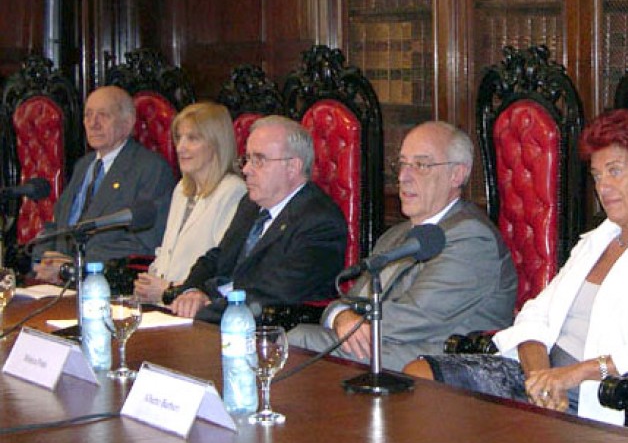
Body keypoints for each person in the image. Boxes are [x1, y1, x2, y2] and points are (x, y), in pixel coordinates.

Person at [404, 109, 628, 426]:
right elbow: (535, 314)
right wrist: (541, 377)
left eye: (615, 171)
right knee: (418, 377)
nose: (603, 186)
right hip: (543, 379)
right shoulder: (597, 241)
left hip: (602, 395)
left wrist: (579, 372)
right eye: (597, 175)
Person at [288, 121, 517, 372]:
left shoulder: (472, 238)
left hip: (438, 363)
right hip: (388, 346)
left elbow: (416, 318)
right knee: (290, 340)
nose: (403, 177)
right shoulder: (397, 234)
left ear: (457, 175)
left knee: (298, 341)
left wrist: (350, 322)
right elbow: (350, 300)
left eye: (421, 165)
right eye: (402, 164)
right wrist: (341, 316)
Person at [168, 115, 347, 324]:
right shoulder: (251, 204)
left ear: (293, 167)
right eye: (247, 159)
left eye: (258, 161)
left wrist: (204, 311)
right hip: (220, 317)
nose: (245, 170)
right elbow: (218, 257)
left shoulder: (319, 222)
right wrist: (192, 291)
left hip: (268, 332)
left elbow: (274, 294)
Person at [32, 85, 175, 282]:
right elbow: (57, 225)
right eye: (88, 115)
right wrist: (42, 260)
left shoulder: (150, 169)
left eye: (103, 115)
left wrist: (71, 268)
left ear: (127, 123)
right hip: (56, 284)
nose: (93, 123)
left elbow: (145, 243)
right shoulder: (84, 165)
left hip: (106, 284)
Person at [133, 102, 246, 305]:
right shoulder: (182, 190)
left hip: (194, 306)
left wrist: (169, 290)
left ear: (216, 143)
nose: (180, 147)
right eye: (179, 137)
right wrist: (148, 283)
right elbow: (168, 251)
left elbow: (222, 268)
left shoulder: (232, 190)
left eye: (192, 138)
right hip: (162, 302)